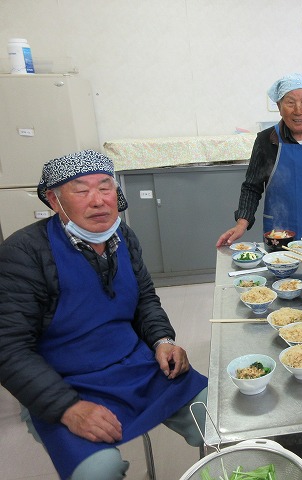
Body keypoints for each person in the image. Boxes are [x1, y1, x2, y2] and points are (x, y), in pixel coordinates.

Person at [0, 150, 208, 480]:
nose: (98, 201)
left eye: (105, 188)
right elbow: (8, 348)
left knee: (218, 417)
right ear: (55, 201)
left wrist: (162, 340)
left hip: (136, 366)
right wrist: (66, 408)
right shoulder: (23, 253)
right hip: (63, 382)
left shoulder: (124, 236)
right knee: (99, 470)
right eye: (81, 191)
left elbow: (145, 302)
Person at [216, 73, 302, 247]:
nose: (298, 110)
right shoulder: (266, 140)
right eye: (290, 103)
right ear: (279, 107)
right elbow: (252, 186)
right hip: (279, 233)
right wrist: (241, 223)